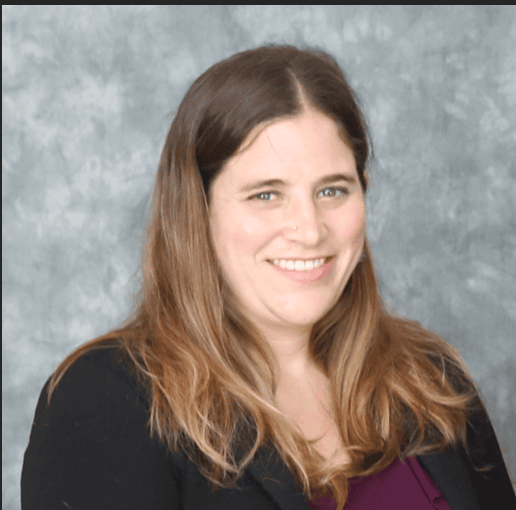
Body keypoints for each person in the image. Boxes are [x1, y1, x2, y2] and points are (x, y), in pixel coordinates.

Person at [21, 44, 515, 510]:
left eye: (333, 190)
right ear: (198, 209)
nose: (309, 230)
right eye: (266, 194)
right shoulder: (107, 400)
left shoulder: (428, 377)